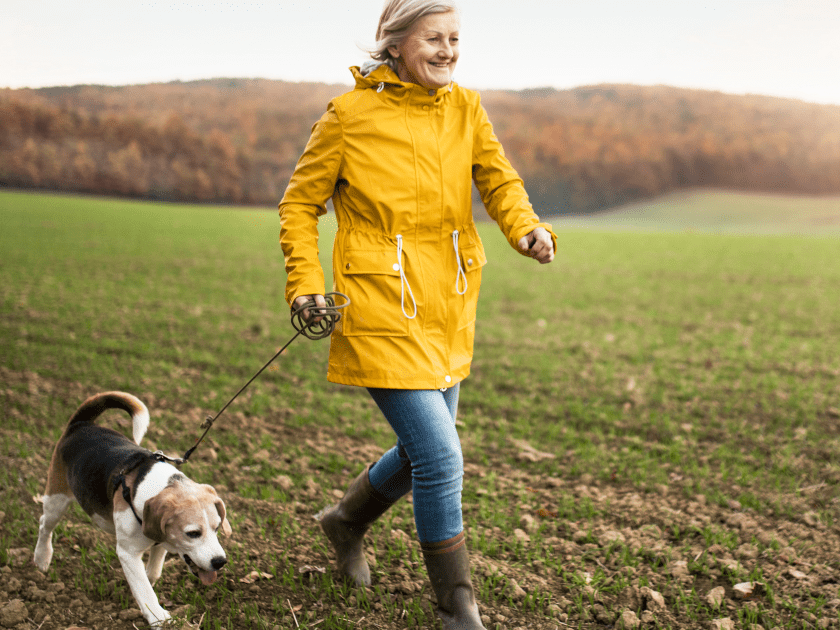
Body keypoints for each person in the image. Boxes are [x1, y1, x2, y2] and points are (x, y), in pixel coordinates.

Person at [278, 1, 555, 627]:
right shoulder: (349, 115)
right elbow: (299, 205)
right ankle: (457, 607)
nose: (448, 50)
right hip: (377, 304)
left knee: (422, 451)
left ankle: (344, 523)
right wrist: (304, 284)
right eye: (434, 37)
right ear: (396, 43)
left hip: (449, 303)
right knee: (440, 455)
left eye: (455, 38)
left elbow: (500, 182)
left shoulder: (467, 107)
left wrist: (527, 229)